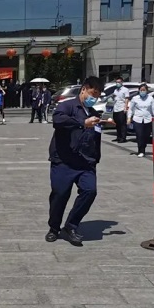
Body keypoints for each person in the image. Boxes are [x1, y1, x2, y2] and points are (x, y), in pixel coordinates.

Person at [46, 76, 104, 247]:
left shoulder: (94, 113)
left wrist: (95, 158)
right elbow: (58, 120)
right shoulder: (67, 106)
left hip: (85, 162)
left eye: (98, 95)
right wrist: (82, 123)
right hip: (64, 160)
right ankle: (54, 228)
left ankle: (71, 225)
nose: (94, 98)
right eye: (93, 93)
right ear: (84, 89)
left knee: (90, 191)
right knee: (60, 195)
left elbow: (95, 138)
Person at [127, 84, 154, 157]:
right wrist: (129, 117)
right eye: (141, 90)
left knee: (146, 136)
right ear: (139, 90)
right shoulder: (135, 98)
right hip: (137, 119)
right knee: (139, 135)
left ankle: (143, 147)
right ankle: (141, 151)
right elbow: (130, 109)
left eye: (144, 90)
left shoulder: (150, 98)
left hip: (148, 119)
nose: (142, 91)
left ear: (146, 91)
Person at [111, 77, 130, 143]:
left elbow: (127, 99)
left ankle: (123, 138)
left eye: (119, 82)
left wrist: (125, 107)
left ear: (122, 82)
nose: (117, 83)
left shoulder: (125, 90)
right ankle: (118, 137)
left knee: (122, 124)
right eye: (116, 82)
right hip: (116, 108)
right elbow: (114, 98)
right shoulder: (115, 90)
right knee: (117, 123)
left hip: (122, 108)